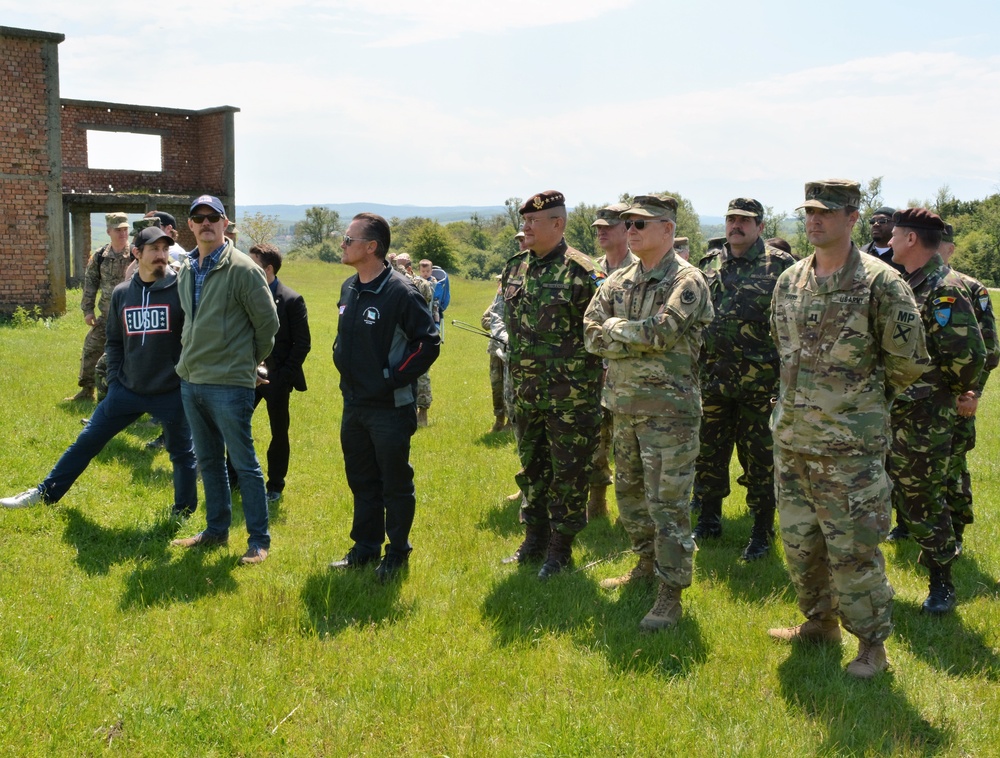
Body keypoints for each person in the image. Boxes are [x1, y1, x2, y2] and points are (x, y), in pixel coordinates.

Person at [768, 179, 926, 679]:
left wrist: (856, 408)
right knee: (799, 545)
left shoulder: (882, 283)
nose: (815, 220)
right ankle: (819, 623)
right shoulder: (790, 280)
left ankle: (872, 646)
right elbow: (783, 349)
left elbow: (905, 363)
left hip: (849, 450)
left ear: (852, 217)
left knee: (854, 552)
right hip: (792, 441)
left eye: (827, 212)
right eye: (810, 211)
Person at [2, 227, 197, 516]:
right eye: (153, 249)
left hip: (171, 392)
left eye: (164, 249)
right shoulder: (122, 294)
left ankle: (183, 512)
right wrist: (116, 382)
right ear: (137, 254)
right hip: (127, 391)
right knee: (87, 441)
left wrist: (183, 383)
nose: (161, 255)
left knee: (182, 455)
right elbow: (114, 341)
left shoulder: (181, 289)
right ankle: (45, 493)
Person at [584, 194, 713, 630]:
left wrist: (616, 330)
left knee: (668, 506)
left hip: (670, 415)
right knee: (632, 500)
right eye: (630, 225)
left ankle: (670, 594)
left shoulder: (688, 280)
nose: (632, 231)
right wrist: (626, 334)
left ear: (667, 230)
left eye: (641, 224)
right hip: (623, 407)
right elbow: (589, 333)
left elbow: (662, 332)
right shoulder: (618, 279)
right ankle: (643, 564)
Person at [329, 213, 440, 583]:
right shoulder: (349, 287)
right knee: (361, 479)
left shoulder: (399, 291)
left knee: (393, 482)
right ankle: (365, 547)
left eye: (348, 239)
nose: (343, 245)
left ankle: (397, 552)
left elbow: (428, 342)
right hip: (355, 404)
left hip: (390, 407)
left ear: (371, 247)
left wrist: (392, 377)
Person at [170, 195, 279, 566]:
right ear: (190, 225)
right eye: (198, 218)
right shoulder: (187, 266)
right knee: (209, 461)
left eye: (212, 217)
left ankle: (258, 541)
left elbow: (268, 326)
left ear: (225, 222)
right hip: (192, 379)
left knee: (244, 464)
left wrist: (246, 361)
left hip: (230, 384)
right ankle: (215, 532)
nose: (205, 223)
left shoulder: (244, 269)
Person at [886, 208, 985, 614]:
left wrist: (941, 389)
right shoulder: (908, 283)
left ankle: (941, 583)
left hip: (926, 415)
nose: (889, 242)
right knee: (898, 494)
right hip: (897, 410)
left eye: (895, 235)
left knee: (924, 499)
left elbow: (970, 355)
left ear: (912, 240)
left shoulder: (944, 288)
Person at [500, 190, 603, 579]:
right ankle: (534, 541)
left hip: (571, 399)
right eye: (523, 221)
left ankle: (560, 551)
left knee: (569, 476)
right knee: (533, 471)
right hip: (527, 396)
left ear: (557, 225)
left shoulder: (584, 272)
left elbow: (602, 334)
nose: (524, 228)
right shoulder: (515, 268)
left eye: (532, 222)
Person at [692, 198, 796, 560]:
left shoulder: (781, 266)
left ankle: (762, 530)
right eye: (731, 219)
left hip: (761, 385)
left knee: (760, 460)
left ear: (760, 226)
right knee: (708, 455)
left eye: (745, 221)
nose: (736, 226)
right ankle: (708, 519)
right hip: (713, 380)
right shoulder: (709, 264)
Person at [228, 243, 312, 503]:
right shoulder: (245, 294)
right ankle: (233, 479)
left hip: (277, 379)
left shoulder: (291, 299)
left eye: (253, 264)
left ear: (268, 269)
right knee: (236, 427)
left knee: (279, 431)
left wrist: (283, 376)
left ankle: (275, 484)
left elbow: (303, 344)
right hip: (245, 375)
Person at [938, 223, 1000, 553]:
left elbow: (989, 349)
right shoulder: (909, 284)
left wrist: (973, 392)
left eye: (941, 245)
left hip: (958, 397)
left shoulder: (971, 288)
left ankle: (956, 532)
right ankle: (908, 527)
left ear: (951, 248)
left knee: (952, 468)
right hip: (917, 398)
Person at [587, 202, 635, 518]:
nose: (602, 232)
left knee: (629, 446)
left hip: (628, 372)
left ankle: (633, 511)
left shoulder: (640, 269)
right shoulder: (590, 270)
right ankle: (596, 502)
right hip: (593, 368)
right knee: (594, 439)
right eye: (598, 228)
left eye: (609, 226)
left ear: (627, 230)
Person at [68, 212, 132, 402]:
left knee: (134, 357)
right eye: (118, 230)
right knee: (91, 349)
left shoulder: (136, 254)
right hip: (106, 317)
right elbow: (90, 284)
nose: (122, 233)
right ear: (108, 231)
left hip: (130, 317)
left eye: (125, 229)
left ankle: (132, 395)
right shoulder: (100, 256)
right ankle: (87, 390)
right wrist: (87, 310)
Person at [396, 253, 435, 426]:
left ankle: (423, 413)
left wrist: (400, 268)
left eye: (404, 267)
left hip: (419, 334)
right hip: (400, 333)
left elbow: (420, 289)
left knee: (422, 373)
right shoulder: (396, 280)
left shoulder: (424, 284)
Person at [861, 206, 905, 274]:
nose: (875, 224)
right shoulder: (862, 253)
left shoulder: (904, 254)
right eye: (872, 221)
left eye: (882, 221)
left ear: (895, 225)